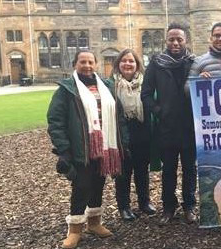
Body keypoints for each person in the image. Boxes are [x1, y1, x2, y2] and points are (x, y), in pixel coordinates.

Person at [47, 50, 128, 249]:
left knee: (98, 184)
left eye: (91, 62)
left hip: (104, 146)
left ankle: (94, 223)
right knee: (81, 185)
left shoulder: (107, 86)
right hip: (81, 148)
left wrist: (123, 143)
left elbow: (119, 117)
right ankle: (74, 229)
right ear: (75, 64)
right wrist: (64, 149)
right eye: (82, 62)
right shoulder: (67, 89)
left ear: (96, 64)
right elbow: (55, 120)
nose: (87, 65)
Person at [141, 23, 197, 225]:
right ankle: (168, 207)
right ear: (166, 41)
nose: (175, 43)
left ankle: (190, 206)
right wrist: (159, 111)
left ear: (186, 41)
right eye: (171, 39)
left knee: (190, 169)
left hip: (190, 127)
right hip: (167, 127)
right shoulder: (156, 64)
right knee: (169, 170)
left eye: (179, 39)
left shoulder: (194, 62)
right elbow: (146, 94)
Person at [112, 49, 157, 221]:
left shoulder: (146, 84)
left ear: (137, 65)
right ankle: (124, 207)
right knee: (123, 173)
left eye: (131, 61)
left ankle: (144, 203)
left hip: (143, 133)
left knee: (142, 171)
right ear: (118, 64)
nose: (127, 64)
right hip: (121, 135)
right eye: (124, 61)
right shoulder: (112, 85)